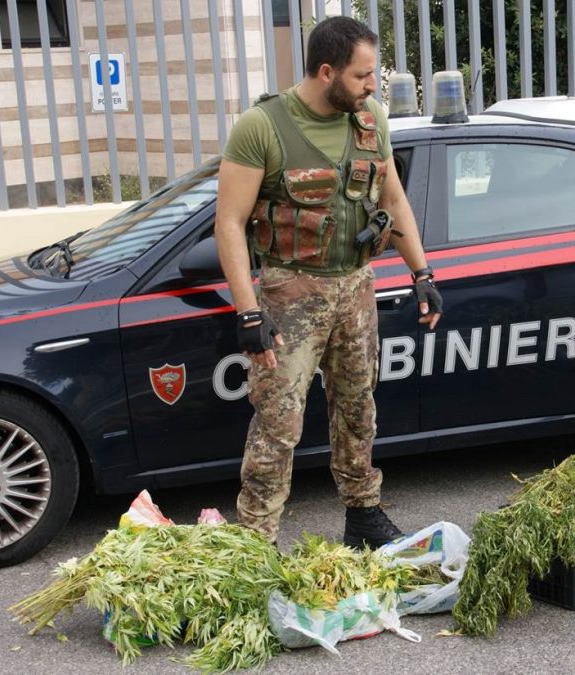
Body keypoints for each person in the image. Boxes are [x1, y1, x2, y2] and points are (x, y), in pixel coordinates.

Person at [214, 16, 442, 548]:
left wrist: (422, 273)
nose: (371, 87)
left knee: (359, 407)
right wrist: (248, 311)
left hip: (356, 288)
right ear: (325, 72)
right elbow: (228, 221)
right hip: (290, 293)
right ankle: (255, 544)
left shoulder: (370, 120)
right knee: (278, 423)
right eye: (362, 76)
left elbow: (392, 201)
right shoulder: (262, 127)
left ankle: (363, 515)